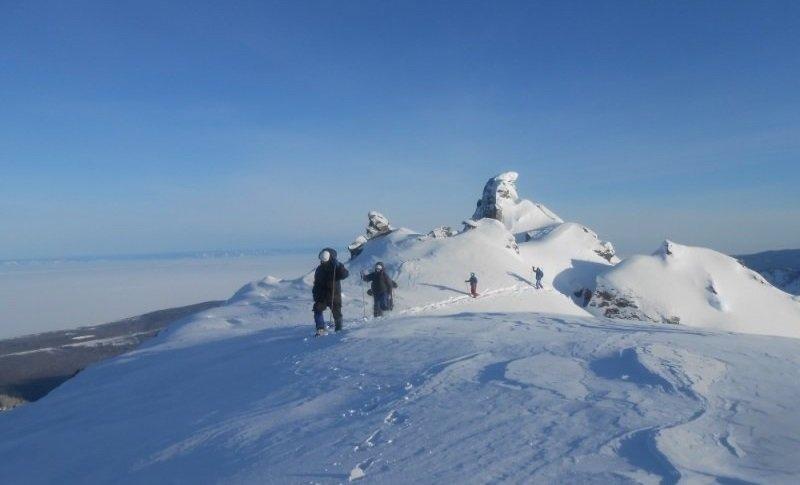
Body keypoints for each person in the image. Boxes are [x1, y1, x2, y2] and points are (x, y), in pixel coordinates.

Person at [312, 248, 349, 335]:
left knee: (337, 312)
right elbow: (316, 283)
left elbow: (344, 274)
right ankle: (320, 329)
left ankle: (339, 328)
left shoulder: (336, 266)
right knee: (317, 309)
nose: (322, 262)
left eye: (324, 260)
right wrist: (315, 293)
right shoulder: (319, 269)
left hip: (334, 294)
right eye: (322, 260)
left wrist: (338, 266)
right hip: (322, 295)